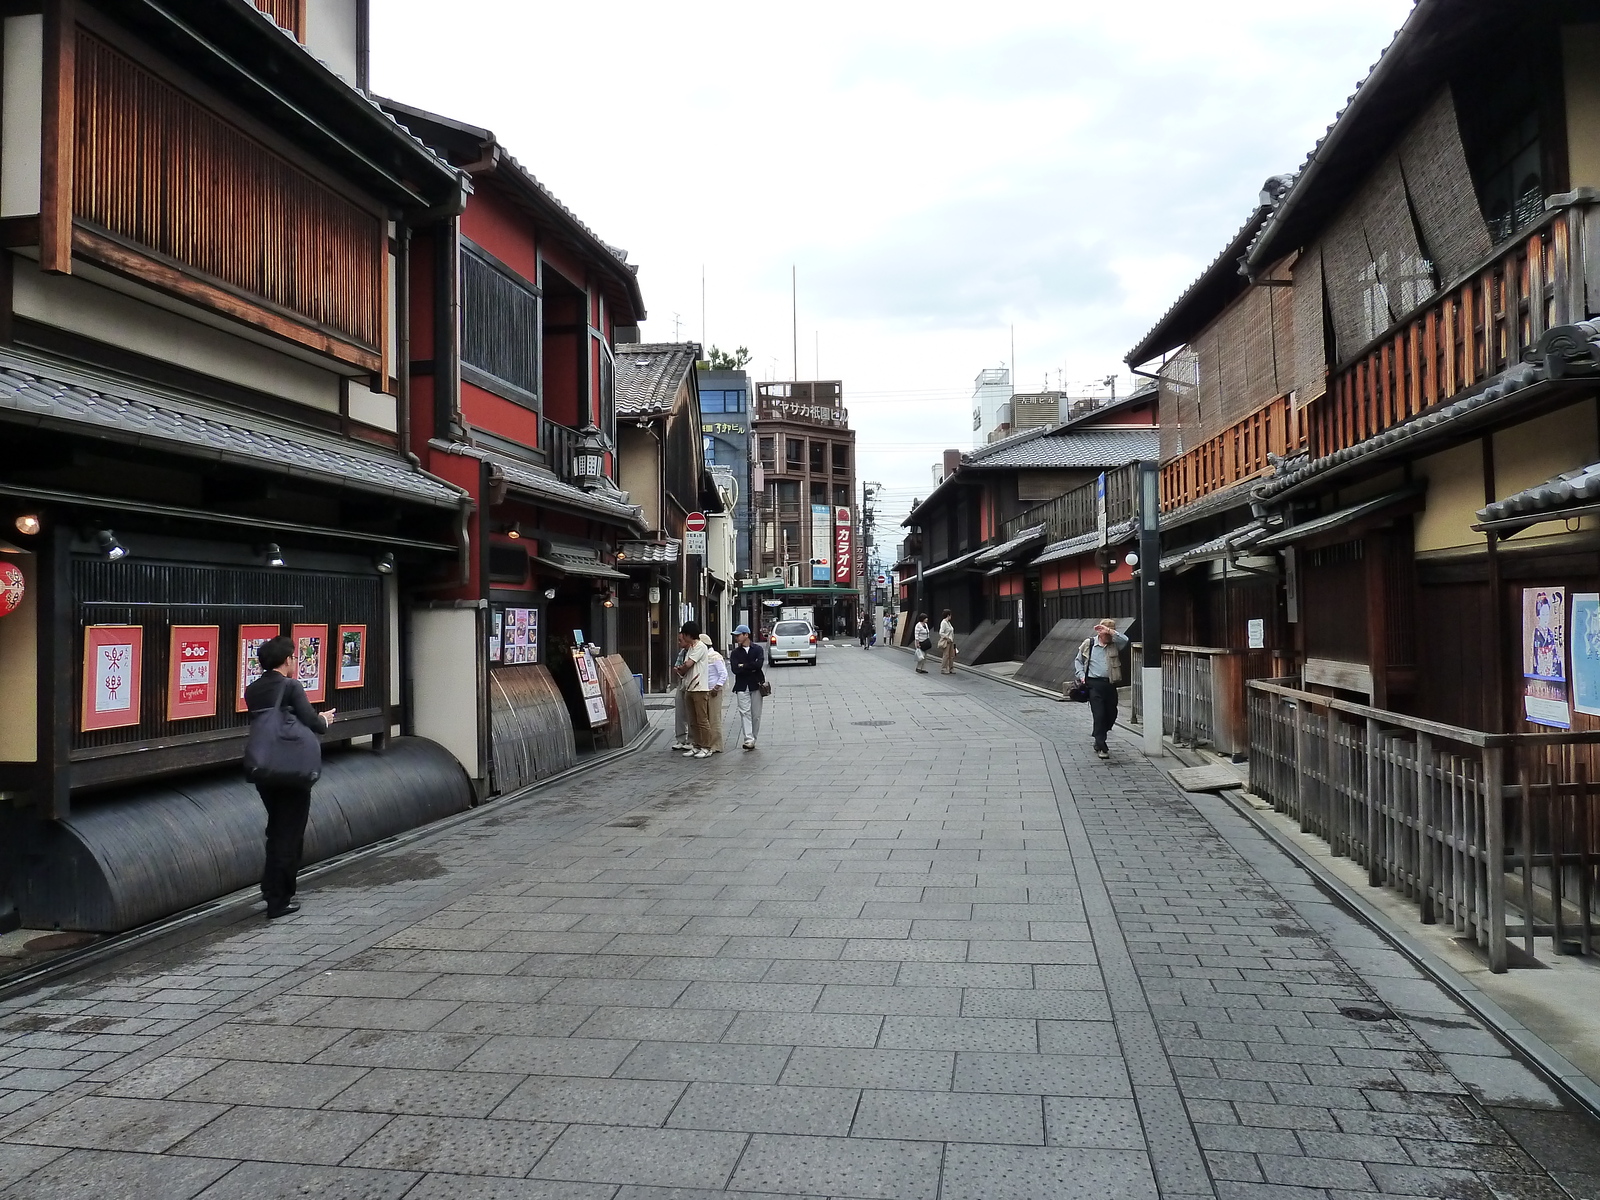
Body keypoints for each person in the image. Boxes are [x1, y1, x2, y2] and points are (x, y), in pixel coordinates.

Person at [244, 636, 334, 919]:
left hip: (265, 768)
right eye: (294, 658)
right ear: (287, 661)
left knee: (276, 829)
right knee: (290, 832)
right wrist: (325, 720)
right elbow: (311, 721)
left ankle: (271, 888)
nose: (295, 662)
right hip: (291, 770)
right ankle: (279, 899)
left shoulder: (253, 689)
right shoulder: (291, 685)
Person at [1074, 618, 1130, 760]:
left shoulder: (1115, 644)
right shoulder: (1090, 644)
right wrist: (1082, 676)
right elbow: (1078, 661)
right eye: (1105, 634)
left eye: (1110, 634)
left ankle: (1098, 736)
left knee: (1111, 713)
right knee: (1099, 714)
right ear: (1099, 632)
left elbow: (1125, 640)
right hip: (1094, 684)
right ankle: (1101, 744)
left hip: (1110, 684)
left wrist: (1111, 631)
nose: (1108, 637)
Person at [674, 622, 713, 758]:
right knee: (693, 720)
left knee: (702, 720)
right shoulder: (690, 648)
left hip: (699, 688)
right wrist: (681, 668)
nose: (683, 639)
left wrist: (681, 668)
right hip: (689, 687)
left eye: (684, 635)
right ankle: (696, 745)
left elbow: (687, 665)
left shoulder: (700, 647)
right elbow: (683, 667)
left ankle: (707, 747)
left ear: (688, 634)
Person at [729, 624, 766, 750]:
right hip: (741, 685)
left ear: (746, 635)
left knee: (756, 714)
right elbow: (735, 669)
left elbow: (759, 665)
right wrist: (750, 666)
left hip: (756, 684)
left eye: (738, 635)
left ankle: (754, 737)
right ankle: (748, 739)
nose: (736, 638)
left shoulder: (757, 649)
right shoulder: (735, 653)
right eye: (736, 636)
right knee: (744, 712)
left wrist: (743, 666)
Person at [701, 633, 728, 753]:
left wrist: (716, 687)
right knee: (706, 718)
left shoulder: (715, 656)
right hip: (705, 690)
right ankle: (708, 743)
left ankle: (716, 744)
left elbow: (723, 673)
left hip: (714, 691)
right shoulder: (704, 656)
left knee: (714, 718)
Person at [668, 640, 690, 751]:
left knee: (691, 713)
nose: (679, 642)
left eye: (682, 640)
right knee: (680, 711)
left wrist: (682, 668)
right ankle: (680, 739)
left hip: (691, 684)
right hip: (681, 683)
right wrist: (679, 669)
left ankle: (691, 739)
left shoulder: (694, 651)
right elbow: (677, 667)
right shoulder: (682, 652)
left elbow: (687, 667)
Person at [938, 610, 957, 674]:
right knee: (946, 655)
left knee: (951, 655)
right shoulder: (943, 622)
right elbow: (941, 632)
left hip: (951, 641)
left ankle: (951, 668)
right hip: (947, 641)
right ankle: (943, 668)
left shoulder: (948, 622)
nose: (951, 616)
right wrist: (947, 637)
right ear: (948, 615)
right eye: (950, 615)